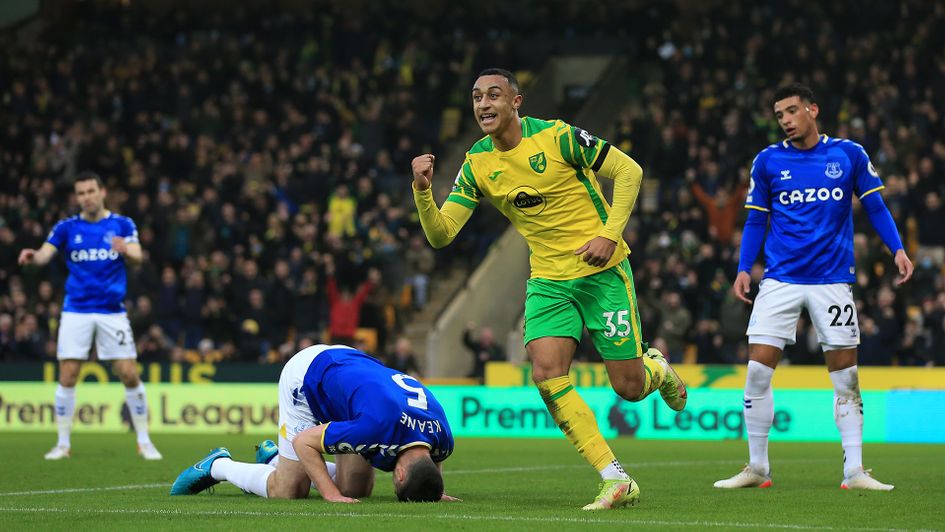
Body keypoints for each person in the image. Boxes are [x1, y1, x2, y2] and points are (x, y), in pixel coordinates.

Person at [410, 68, 687, 510]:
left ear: (516, 102)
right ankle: (615, 478)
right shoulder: (478, 163)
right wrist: (423, 192)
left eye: (494, 95)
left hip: (602, 271)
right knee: (546, 374)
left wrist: (610, 235)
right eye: (477, 97)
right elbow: (442, 234)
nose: (483, 104)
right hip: (549, 281)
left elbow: (629, 171)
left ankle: (657, 369)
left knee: (629, 387)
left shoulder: (558, 137)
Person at [716, 83, 914, 491]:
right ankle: (757, 468)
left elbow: (875, 205)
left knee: (846, 378)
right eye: (779, 115)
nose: (786, 120)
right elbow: (755, 219)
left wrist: (897, 249)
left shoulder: (848, 154)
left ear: (812, 109)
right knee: (756, 372)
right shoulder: (768, 161)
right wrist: (742, 267)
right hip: (779, 279)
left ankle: (855, 471)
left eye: (791, 111)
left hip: (832, 281)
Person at [170, 344, 457, 502]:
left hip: (353, 375)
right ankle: (218, 466)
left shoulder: (443, 438)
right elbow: (304, 442)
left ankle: (274, 458)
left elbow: (432, 463)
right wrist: (331, 496)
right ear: (401, 476)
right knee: (289, 491)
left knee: (356, 490)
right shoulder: (374, 429)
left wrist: (435, 491)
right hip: (308, 377)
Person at [17, 171, 162, 460]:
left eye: (90, 191)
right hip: (76, 311)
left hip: (112, 312)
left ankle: (144, 441)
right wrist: (34, 256)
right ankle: (62, 444)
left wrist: (126, 251)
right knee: (68, 375)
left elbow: (137, 254)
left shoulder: (122, 223)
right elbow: (46, 253)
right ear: (77, 196)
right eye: (81, 193)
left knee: (129, 373)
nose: (86, 197)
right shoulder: (66, 228)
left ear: (102, 191)